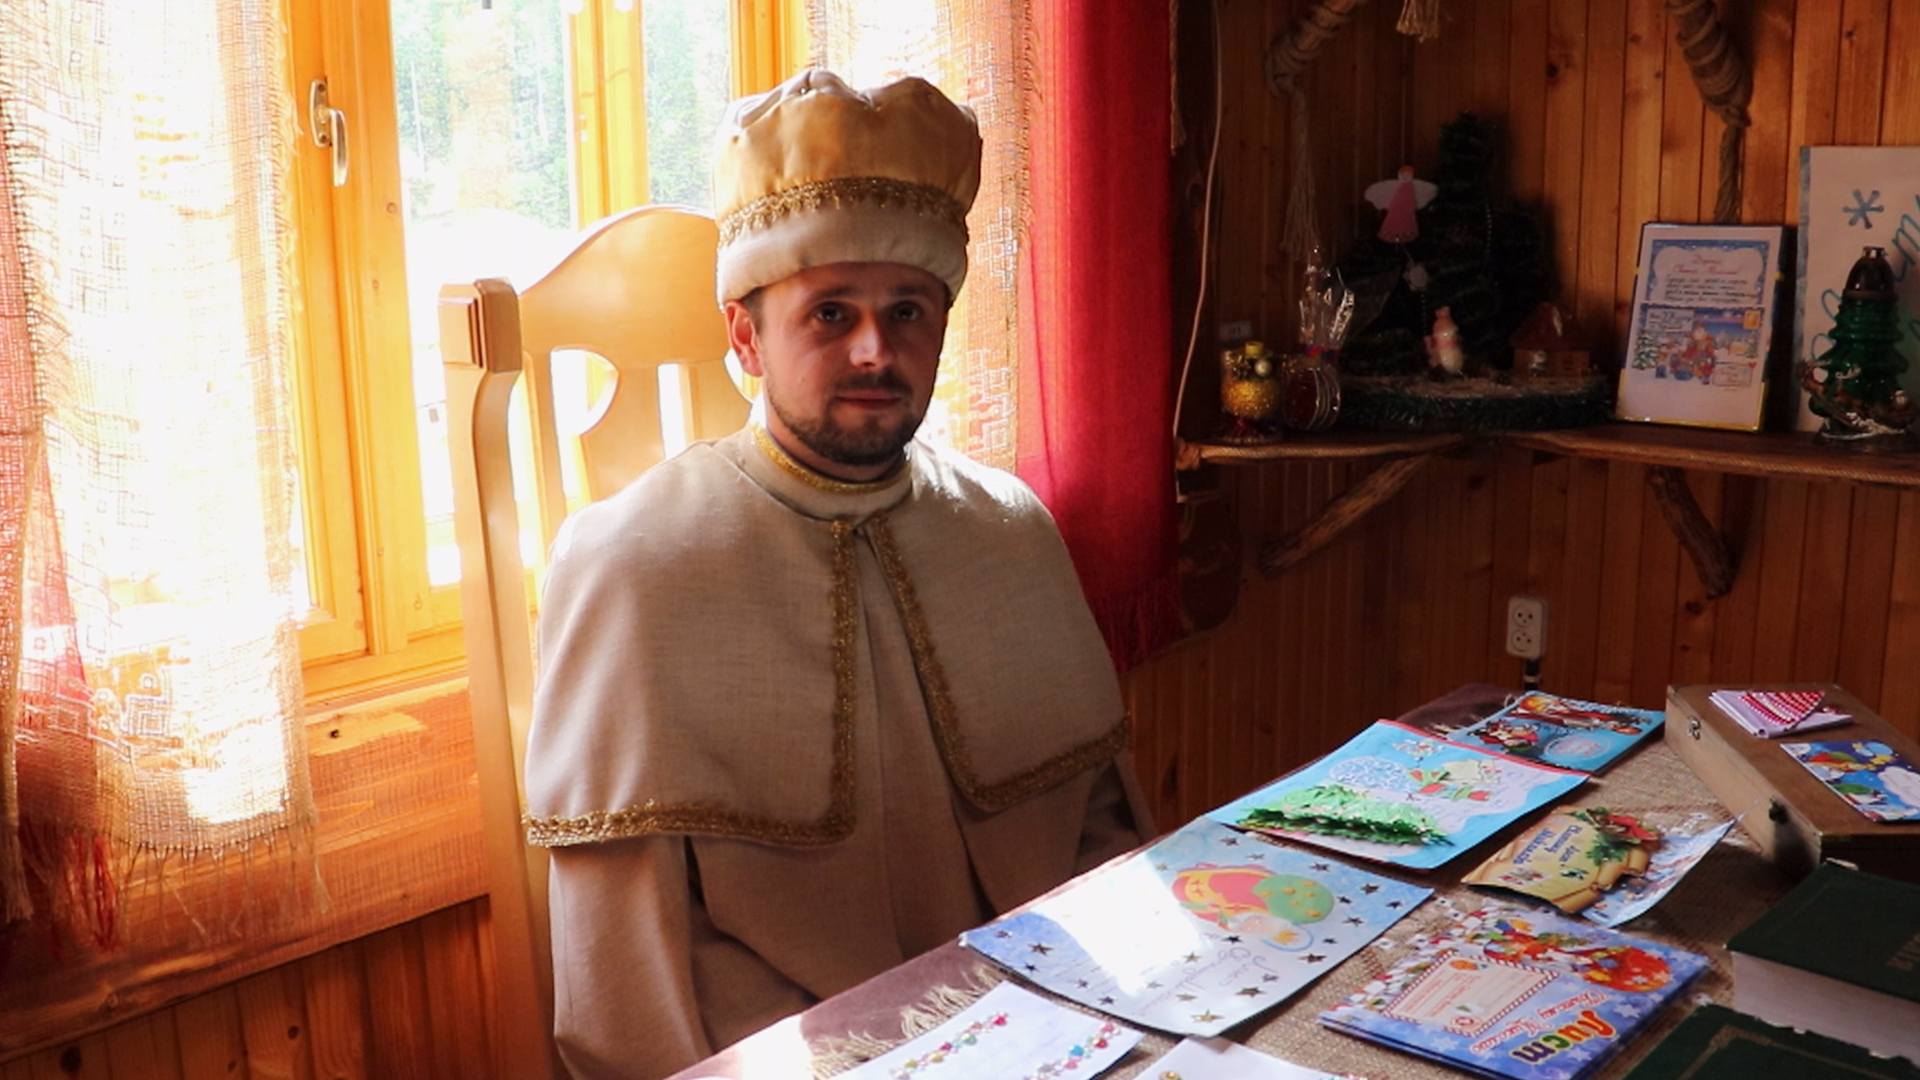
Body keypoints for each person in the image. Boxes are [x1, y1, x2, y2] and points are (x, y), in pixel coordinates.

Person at [522, 69, 1153, 1080]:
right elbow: (630, 986)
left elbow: (1104, 846)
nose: (874, 351)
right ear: (745, 336)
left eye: (908, 310)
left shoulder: (1011, 531)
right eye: (829, 314)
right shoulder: (633, 567)